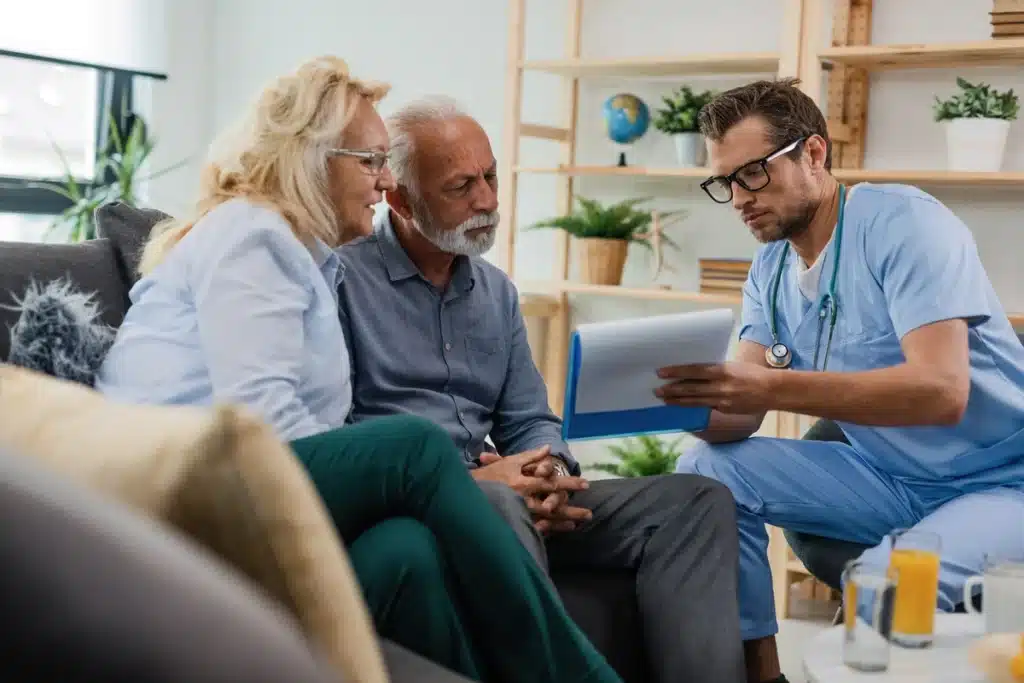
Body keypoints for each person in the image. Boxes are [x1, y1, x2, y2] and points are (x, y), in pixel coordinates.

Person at [93, 55, 624, 683]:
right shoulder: (250, 235)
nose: (383, 183)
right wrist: (408, 476)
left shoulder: (311, 259)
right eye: (370, 161)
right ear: (311, 159)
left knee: (408, 553)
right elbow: (261, 423)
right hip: (180, 492)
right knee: (414, 449)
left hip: (239, 488)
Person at [335, 94, 748, 683]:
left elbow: (529, 419)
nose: (488, 200)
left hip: (513, 496)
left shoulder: (497, 293)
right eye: (461, 187)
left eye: (491, 176)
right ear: (400, 197)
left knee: (696, 502)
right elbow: (342, 439)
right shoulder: (343, 281)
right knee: (503, 503)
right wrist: (478, 483)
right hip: (424, 505)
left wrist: (551, 473)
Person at [660, 77, 1024, 683]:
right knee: (705, 469)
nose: (740, 197)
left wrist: (770, 389)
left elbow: (942, 390)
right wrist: (666, 396)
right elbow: (739, 418)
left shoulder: (904, 224)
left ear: (813, 153)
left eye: (752, 173)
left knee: (883, 587)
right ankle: (762, 674)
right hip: (891, 478)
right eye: (725, 183)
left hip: (1002, 484)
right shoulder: (770, 267)